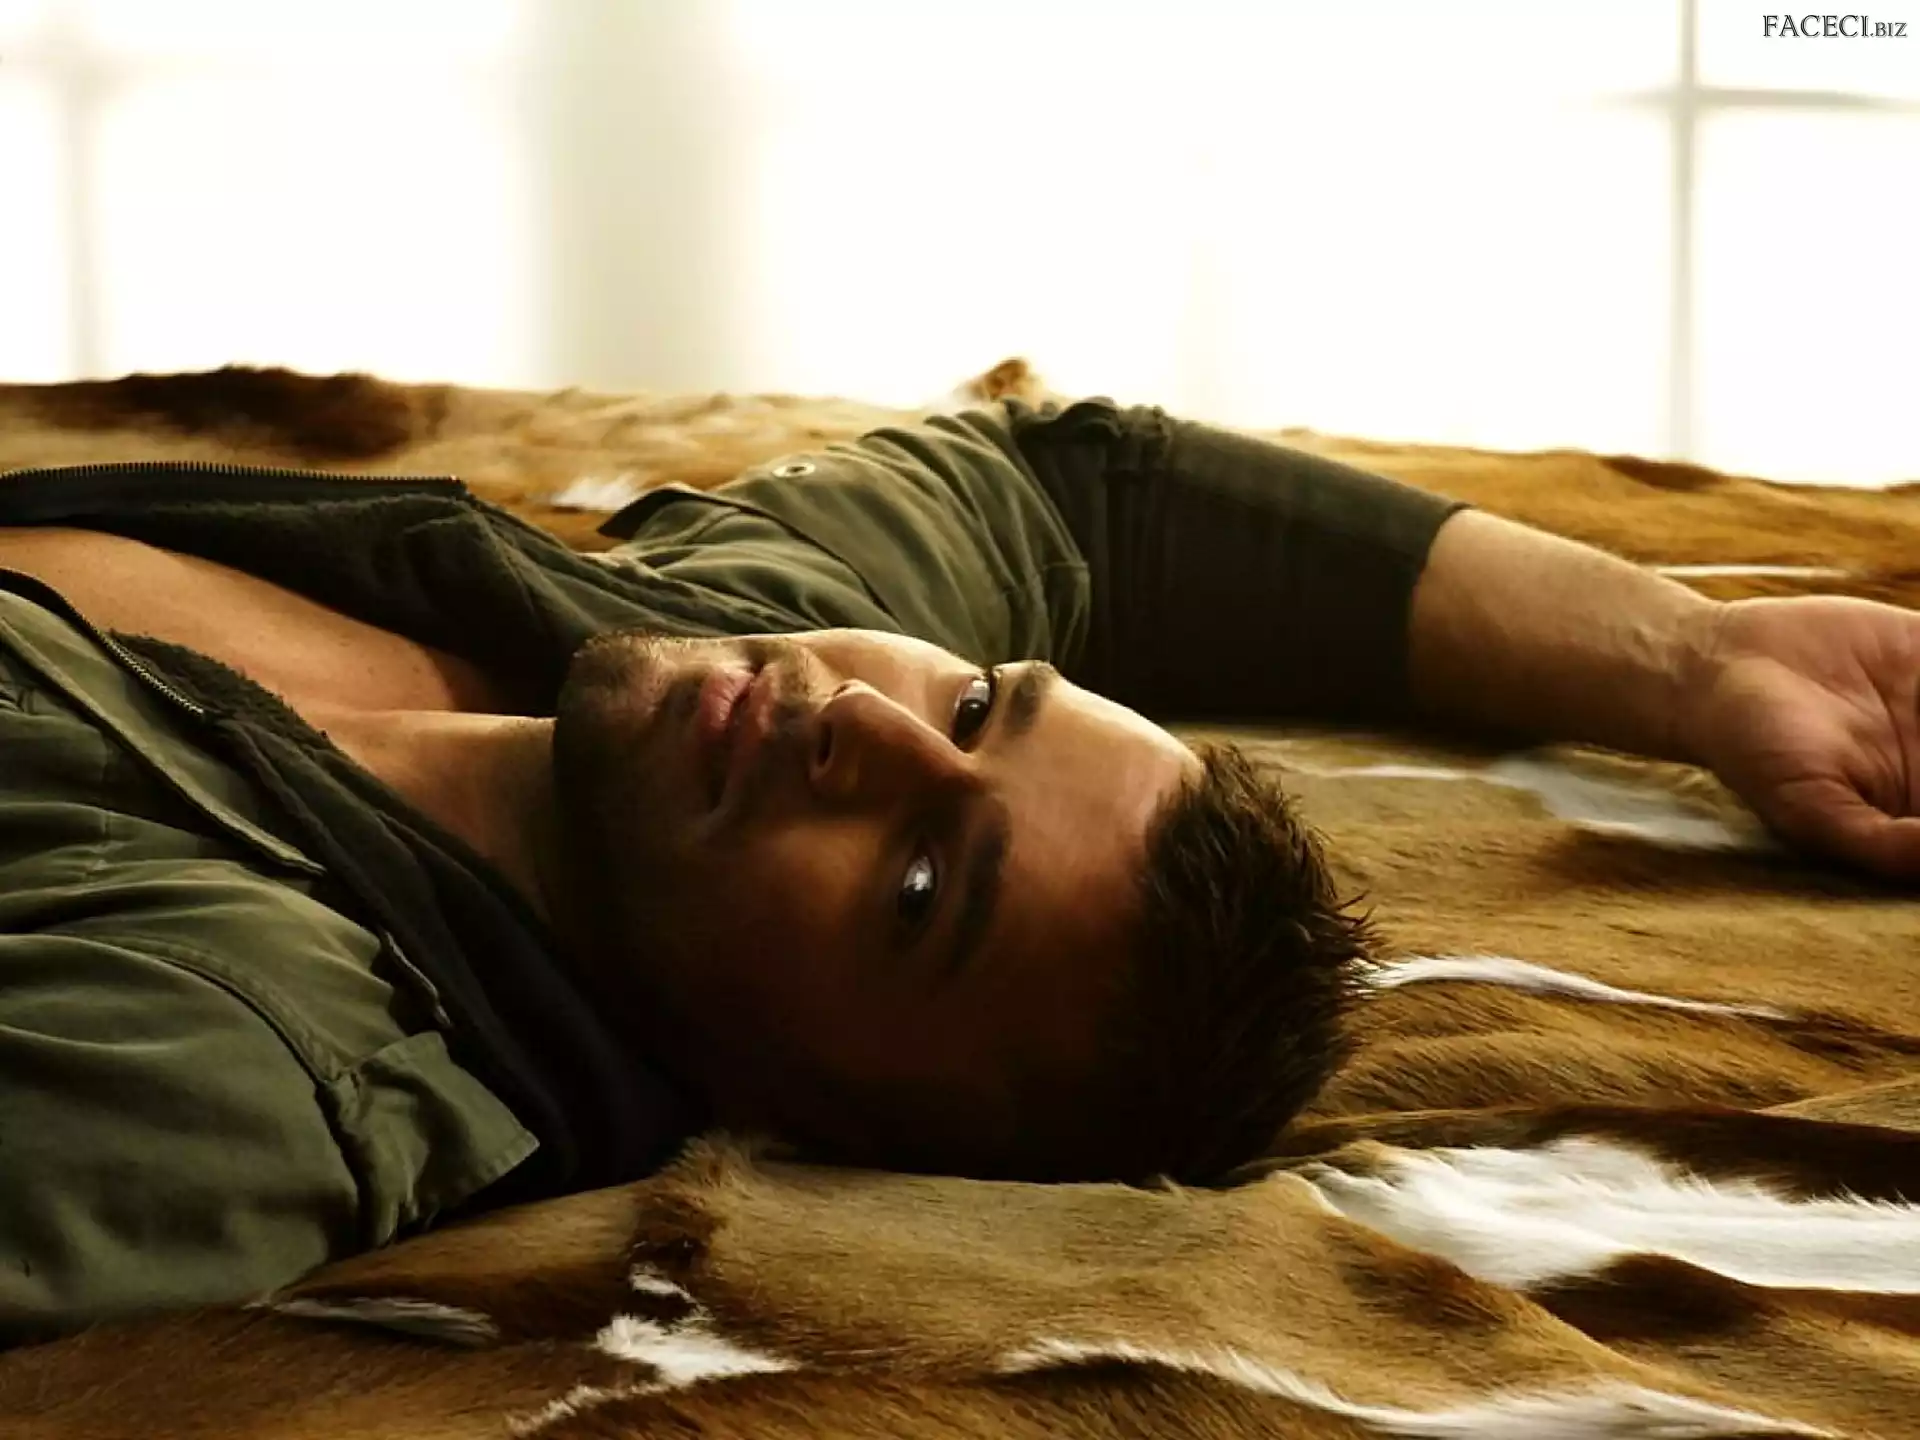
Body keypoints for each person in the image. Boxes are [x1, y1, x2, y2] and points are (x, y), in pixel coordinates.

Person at [0, 397, 1915, 1346]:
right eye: (986, 705)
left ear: (827, 1118)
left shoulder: (235, 1056)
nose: (872, 729)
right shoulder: (726, 650)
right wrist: (1698, 658)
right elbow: (1088, 497)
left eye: (922, 892)